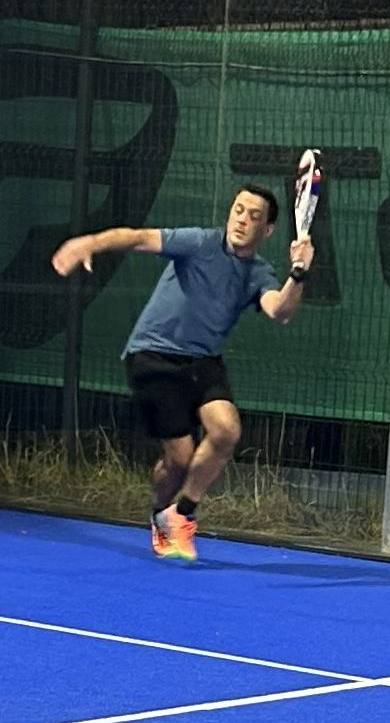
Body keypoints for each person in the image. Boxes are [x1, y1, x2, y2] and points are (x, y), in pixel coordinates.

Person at [51, 185, 314, 562]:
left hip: (203, 361)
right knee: (180, 459)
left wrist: (299, 272)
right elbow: (138, 237)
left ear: (268, 230)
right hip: (153, 355)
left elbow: (280, 311)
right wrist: (90, 243)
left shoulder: (258, 272)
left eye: (254, 216)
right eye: (238, 210)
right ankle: (161, 513)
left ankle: (183, 513)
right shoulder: (199, 242)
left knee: (226, 430)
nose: (242, 220)